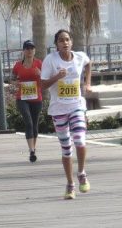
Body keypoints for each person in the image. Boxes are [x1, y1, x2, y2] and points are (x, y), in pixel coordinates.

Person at [40, 29, 92, 199]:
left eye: (67, 39)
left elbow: (88, 64)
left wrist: (87, 84)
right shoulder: (51, 60)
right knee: (66, 148)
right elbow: (42, 85)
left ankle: (81, 172)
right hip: (58, 108)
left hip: (77, 105)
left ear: (71, 42)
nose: (65, 43)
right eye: (61, 40)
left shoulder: (79, 57)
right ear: (56, 44)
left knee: (80, 140)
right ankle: (70, 184)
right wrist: (57, 77)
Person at [12, 40, 43, 162]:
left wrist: (41, 74)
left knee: (34, 124)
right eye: (27, 48)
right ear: (23, 51)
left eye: (32, 48)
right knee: (29, 123)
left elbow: (46, 78)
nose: (30, 51)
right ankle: (31, 150)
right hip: (22, 98)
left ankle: (33, 149)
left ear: (34, 50)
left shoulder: (39, 63)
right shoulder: (18, 65)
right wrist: (15, 82)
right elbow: (12, 78)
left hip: (36, 98)